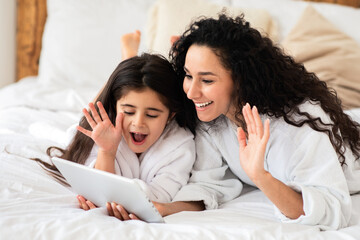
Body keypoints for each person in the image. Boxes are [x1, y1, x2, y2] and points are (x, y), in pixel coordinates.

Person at [147, 13, 360, 230]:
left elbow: (333, 211)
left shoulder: (298, 126)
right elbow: (209, 183)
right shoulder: (211, 116)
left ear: (241, 79)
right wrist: (164, 209)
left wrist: (261, 176)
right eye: (188, 75)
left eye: (207, 80)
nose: (191, 92)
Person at [34, 31, 197, 221]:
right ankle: (127, 61)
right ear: (116, 107)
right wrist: (107, 151)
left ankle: (129, 62)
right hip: (106, 119)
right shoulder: (104, 127)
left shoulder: (180, 145)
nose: (138, 122)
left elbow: (157, 199)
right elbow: (97, 184)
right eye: (128, 112)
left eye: (152, 115)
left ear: (170, 116)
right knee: (91, 113)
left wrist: (116, 200)